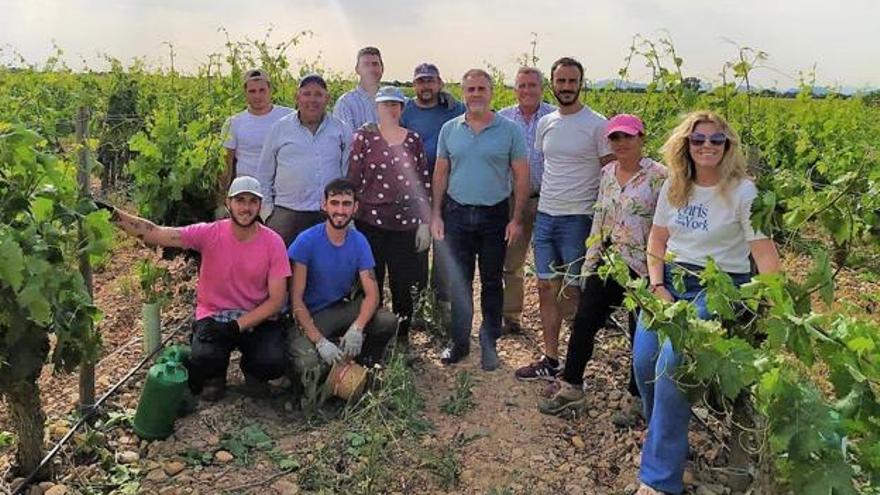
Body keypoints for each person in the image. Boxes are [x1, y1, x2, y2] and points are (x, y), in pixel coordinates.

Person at [633, 111, 780, 495]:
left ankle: (660, 479)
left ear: (728, 146)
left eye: (717, 140)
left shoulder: (743, 192)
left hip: (717, 287)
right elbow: (656, 240)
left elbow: (764, 254)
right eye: (698, 140)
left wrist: (773, 303)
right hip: (671, 281)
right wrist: (656, 285)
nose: (707, 146)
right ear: (686, 145)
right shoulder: (674, 186)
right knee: (644, 362)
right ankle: (668, 439)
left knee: (672, 365)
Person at [99, 176, 291, 401]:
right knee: (204, 357)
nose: (246, 208)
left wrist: (235, 327)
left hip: (255, 318)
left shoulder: (273, 242)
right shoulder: (209, 233)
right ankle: (214, 377)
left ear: (260, 206)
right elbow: (156, 233)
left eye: (252, 201)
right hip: (216, 314)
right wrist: (112, 215)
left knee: (272, 360)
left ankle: (254, 373)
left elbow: (276, 301)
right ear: (228, 204)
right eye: (240, 200)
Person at [538, 114, 666, 416]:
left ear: (642, 138)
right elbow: (600, 217)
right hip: (608, 262)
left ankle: (637, 398)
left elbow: (664, 228)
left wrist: (658, 273)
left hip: (642, 267)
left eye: (628, 137)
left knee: (640, 333)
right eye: (615, 138)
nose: (621, 143)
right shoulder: (607, 172)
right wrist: (590, 261)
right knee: (584, 322)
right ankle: (571, 387)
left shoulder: (661, 177)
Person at [514, 57, 614, 381]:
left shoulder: (597, 124)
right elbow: (547, 167)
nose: (567, 87)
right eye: (561, 82)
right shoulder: (547, 123)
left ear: (581, 83)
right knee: (545, 286)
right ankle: (551, 358)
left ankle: (576, 364)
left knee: (573, 293)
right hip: (546, 216)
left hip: (578, 218)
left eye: (572, 81)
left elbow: (609, 172)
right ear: (553, 85)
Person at [431, 69, 529, 371]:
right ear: (463, 93)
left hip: (494, 215)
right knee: (459, 281)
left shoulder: (509, 130)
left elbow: (522, 176)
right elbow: (441, 173)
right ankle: (459, 343)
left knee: (491, 280)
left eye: (481, 88)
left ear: (491, 92)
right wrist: (436, 214)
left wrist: (516, 219)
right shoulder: (449, 129)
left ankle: (489, 343)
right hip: (457, 213)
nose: (475, 94)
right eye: (470, 89)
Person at [288, 178, 398, 383]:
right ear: (324, 205)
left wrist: (357, 327)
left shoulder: (359, 241)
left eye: (346, 204)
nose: (340, 210)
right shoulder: (306, 241)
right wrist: (319, 341)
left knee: (386, 321)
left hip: (341, 309)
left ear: (355, 207)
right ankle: (314, 385)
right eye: (335, 203)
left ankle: (366, 367)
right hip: (311, 315)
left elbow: (373, 294)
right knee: (308, 364)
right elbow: (296, 300)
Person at [347, 86, 432, 346]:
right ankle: (373, 337)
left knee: (402, 282)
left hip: (404, 223)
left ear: (402, 108)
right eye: (385, 105)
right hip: (369, 220)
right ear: (377, 108)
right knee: (371, 280)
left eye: (395, 104)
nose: (390, 109)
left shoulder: (413, 140)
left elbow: (422, 181)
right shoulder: (364, 137)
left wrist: (424, 222)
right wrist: (349, 215)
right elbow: (353, 176)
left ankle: (402, 336)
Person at [400, 62, 465, 321]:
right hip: (413, 189)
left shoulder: (454, 108)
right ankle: (415, 303)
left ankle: (441, 301)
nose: (426, 86)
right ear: (414, 85)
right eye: (421, 81)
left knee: (443, 246)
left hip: (447, 188)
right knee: (415, 247)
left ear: (439, 83)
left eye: (430, 80)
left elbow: (472, 116)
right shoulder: (405, 110)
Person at [257, 74, 353, 247]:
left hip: (327, 214)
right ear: (297, 97)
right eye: (307, 94)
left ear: (327, 98)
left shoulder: (341, 129)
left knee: (324, 269)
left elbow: (346, 173)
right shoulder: (279, 128)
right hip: (286, 214)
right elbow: (264, 173)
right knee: (283, 269)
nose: (312, 100)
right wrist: (267, 212)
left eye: (318, 94)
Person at [497, 67, 556, 334]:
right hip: (514, 200)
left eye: (532, 85)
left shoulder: (555, 117)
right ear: (515, 89)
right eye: (522, 85)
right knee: (513, 260)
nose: (527, 90)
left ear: (542, 88)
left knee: (553, 264)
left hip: (548, 199)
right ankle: (511, 316)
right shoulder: (503, 118)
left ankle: (559, 319)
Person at [222, 69, 293, 187]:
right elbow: (226, 165)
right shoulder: (233, 123)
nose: (257, 96)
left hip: (281, 192)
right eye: (252, 91)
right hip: (246, 194)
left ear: (270, 91)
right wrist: (222, 197)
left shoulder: (289, 117)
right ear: (245, 93)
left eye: (262, 90)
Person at [333, 46, 383, 129]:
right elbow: (345, 140)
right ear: (357, 69)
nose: (371, 69)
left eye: (375, 64)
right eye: (366, 65)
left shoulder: (395, 102)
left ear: (382, 68)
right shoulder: (345, 103)